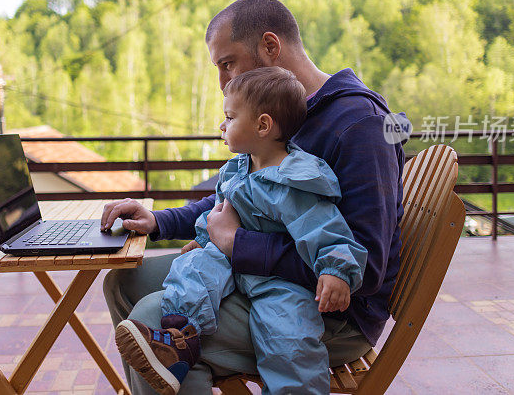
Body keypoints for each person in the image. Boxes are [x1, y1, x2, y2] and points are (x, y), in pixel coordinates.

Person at [101, 0, 408, 394]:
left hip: (329, 310)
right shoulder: (286, 117)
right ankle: (186, 373)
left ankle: (186, 361)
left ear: (269, 46)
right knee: (123, 282)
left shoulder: (358, 126)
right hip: (256, 271)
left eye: (227, 63)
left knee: (153, 317)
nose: (223, 82)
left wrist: (234, 243)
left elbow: (365, 272)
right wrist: (160, 221)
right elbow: (237, 200)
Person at [114, 67, 367, 394]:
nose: (222, 124)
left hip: (278, 282)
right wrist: (202, 238)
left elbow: (324, 229)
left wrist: (336, 270)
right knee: (192, 271)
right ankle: (180, 338)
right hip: (233, 264)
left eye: (230, 117)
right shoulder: (239, 166)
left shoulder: (293, 183)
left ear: (262, 125)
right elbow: (220, 211)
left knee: (287, 340)